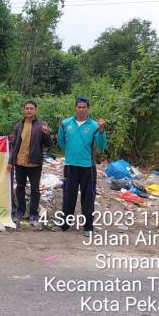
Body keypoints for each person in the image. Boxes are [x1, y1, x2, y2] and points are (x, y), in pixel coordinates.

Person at [55, 96, 107, 236]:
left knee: (88, 197)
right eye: (79, 107)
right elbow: (61, 141)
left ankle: (88, 227)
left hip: (88, 167)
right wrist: (71, 152)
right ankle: (65, 225)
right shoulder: (66, 124)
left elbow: (101, 146)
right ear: (75, 108)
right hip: (70, 165)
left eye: (84, 107)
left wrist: (102, 132)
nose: (81, 109)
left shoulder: (95, 126)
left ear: (88, 109)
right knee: (68, 196)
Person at [7, 101, 53, 227]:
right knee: (20, 187)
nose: (29, 110)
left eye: (31, 108)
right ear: (24, 110)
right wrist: (11, 161)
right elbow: (15, 145)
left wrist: (46, 134)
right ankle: (20, 211)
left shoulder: (42, 125)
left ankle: (33, 214)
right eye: (27, 108)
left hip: (35, 163)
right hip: (20, 163)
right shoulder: (18, 126)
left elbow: (49, 144)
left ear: (35, 110)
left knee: (35, 190)